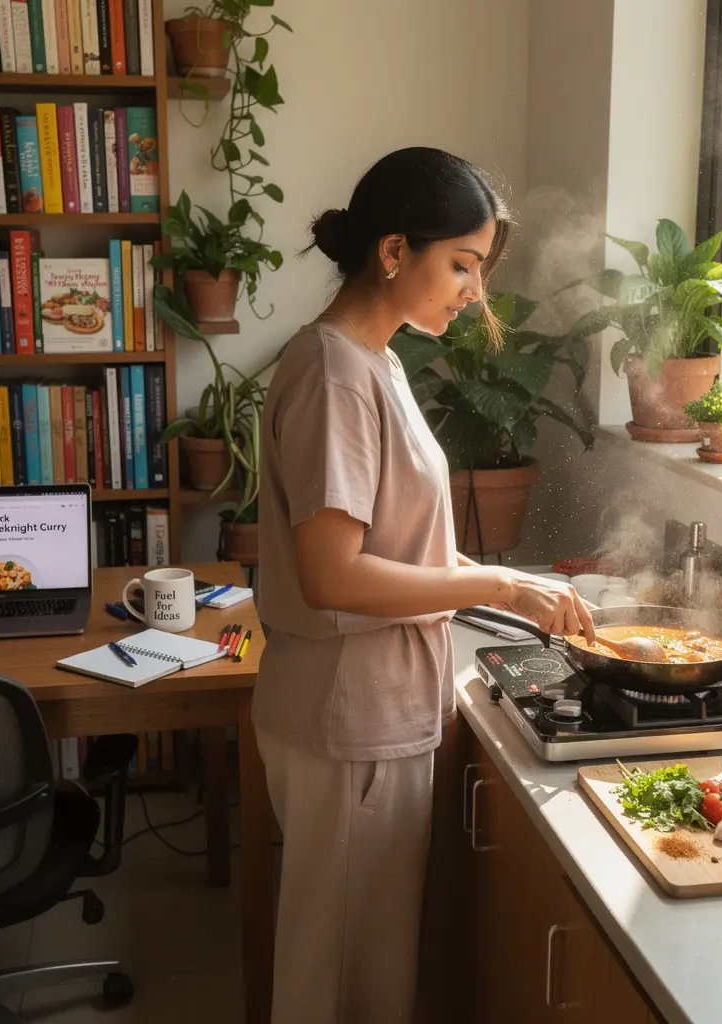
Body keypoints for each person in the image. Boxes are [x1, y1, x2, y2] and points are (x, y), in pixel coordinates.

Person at [252, 146, 595, 1024]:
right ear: (395, 250)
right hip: (348, 714)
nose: (472, 292)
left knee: (362, 959)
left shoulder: (376, 361)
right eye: (463, 266)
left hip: (367, 705)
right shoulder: (336, 372)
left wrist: (493, 583)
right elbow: (332, 573)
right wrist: (497, 587)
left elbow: (388, 545)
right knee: (337, 973)